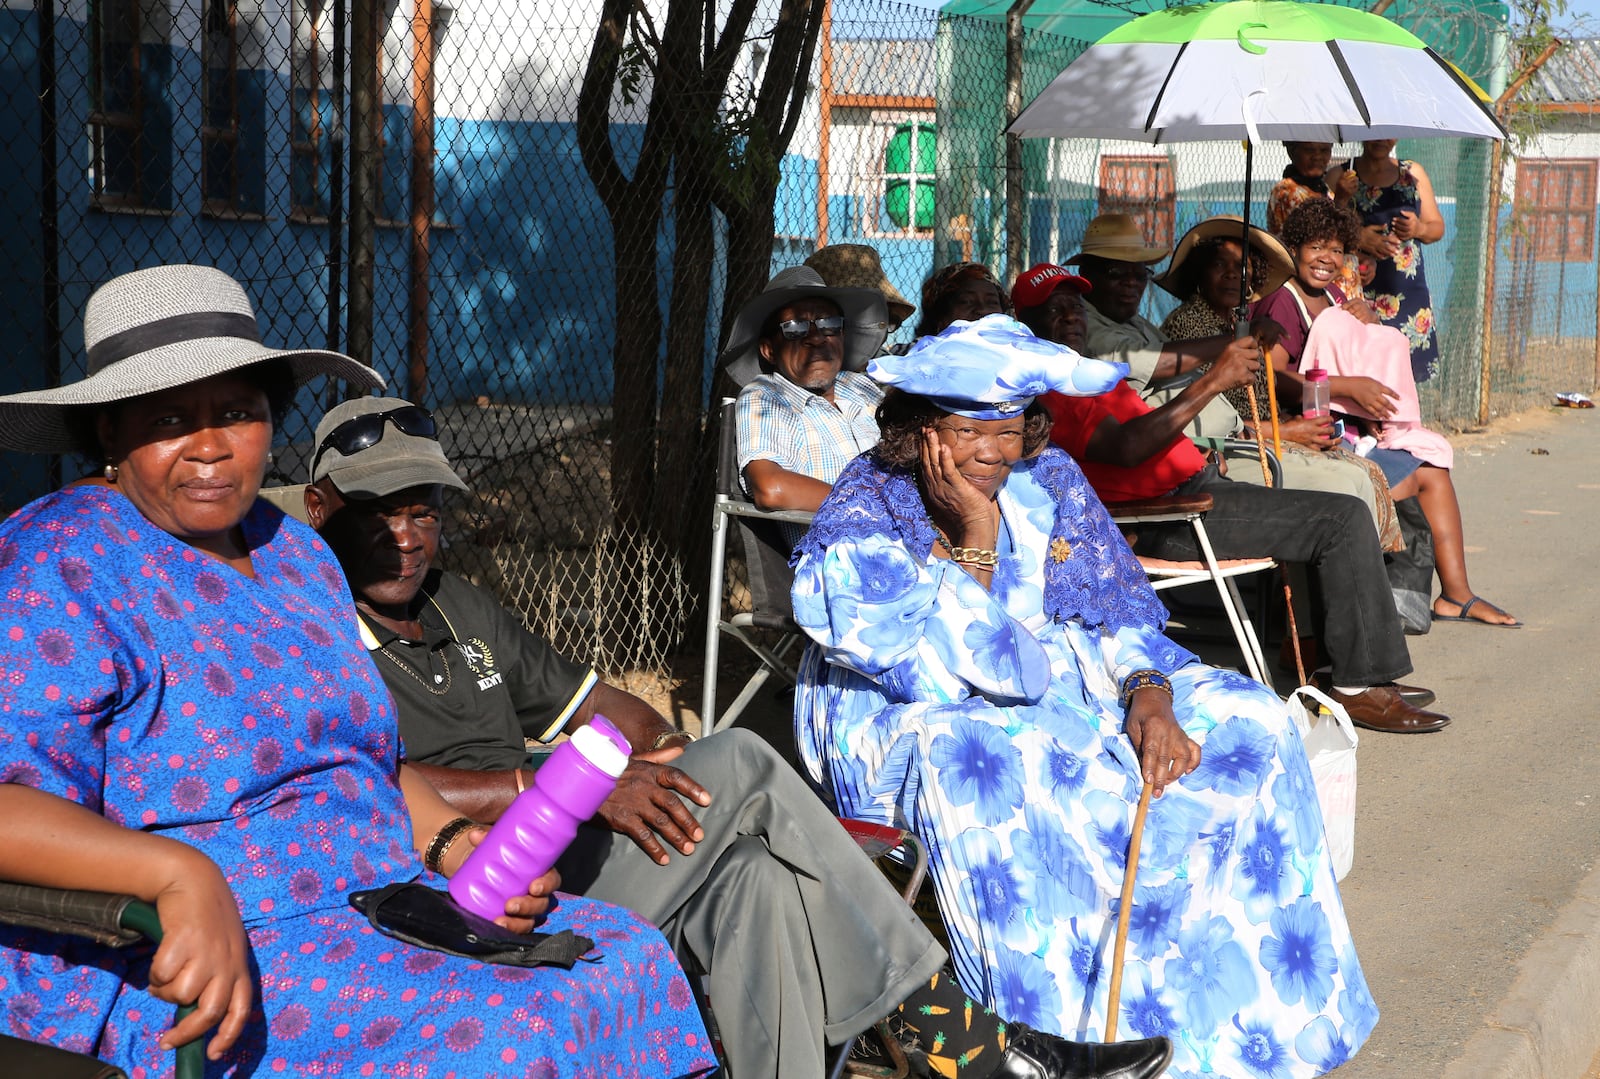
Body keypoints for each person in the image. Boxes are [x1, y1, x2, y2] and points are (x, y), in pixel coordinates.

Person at [301, 396, 1175, 1079]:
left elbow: (620, 710)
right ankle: (967, 1043)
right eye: (380, 512)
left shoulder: (461, 606)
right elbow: (364, 782)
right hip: (462, 893)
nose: (407, 536)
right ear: (318, 508)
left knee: (758, 881)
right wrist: (563, 780)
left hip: (569, 849)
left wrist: (638, 762)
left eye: (423, 510)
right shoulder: (308, 633)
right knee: (748, 760)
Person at [0, 265, 714, 1075]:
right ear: (108, 432)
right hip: (195, 948)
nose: (209, 445)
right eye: (169, 419)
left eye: (238, 411)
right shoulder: (57, 563)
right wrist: (175, 872)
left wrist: (453, 845)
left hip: (375, 898)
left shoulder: (294, 551)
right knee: (513, 1032)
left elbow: (362, 754)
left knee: (627, 960)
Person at [790, 314, 1380, 1078]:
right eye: (970, 432)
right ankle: (1046, 1042)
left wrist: (1147, 695)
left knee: (1254, 719)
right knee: (1003, 756)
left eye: (1008, 429)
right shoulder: (869, 506)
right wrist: (977, 531)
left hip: (1066, 680)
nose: (994, 453)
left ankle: (1231, 1025)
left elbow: (1115, 612)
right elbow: (943, 673)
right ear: (920, 431)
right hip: (911, 708)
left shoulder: (1052, 480)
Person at [1042, 292, 1449, 730]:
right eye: (1055, 311)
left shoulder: (1090, 376)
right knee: (1339, 520)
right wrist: (1213, 381)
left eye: (1076, 308)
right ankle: (1358, 690)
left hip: (1199, 484)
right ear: (1026, 320)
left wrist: (1194, 447)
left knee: (1342, 505)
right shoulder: (1056, 391)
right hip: (1173, 514)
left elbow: (1144, 432)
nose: (1071, 319)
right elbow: (1126, 448)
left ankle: (1351, 670)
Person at [1257, 200, 1518, 629]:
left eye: (1337, 250)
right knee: (1419, 476)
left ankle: (1457, 595)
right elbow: (1273, 375)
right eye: (1316, 247)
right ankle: (1386, 603)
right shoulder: (1283, 302)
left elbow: (1364, 355)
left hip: (1352, 427)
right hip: (1307, 433)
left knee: (1433, 465)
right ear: (1294, 248)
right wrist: (1343, 388)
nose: (1327, 259)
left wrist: (1367, 320)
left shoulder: (1337, 296)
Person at [1149, 217, 1403, 553]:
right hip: (1228, 454)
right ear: (1199, 272)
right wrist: (1287, 433)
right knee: (1348, 486)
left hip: (1267, 438)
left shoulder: (1239, 323)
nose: (1232, 275)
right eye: (1219, 265)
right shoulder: (1189, 328)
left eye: (1242, 266)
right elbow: (1215, 426)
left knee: (1367, 473)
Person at [1072, 213, 1283, 452]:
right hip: (1200, 452)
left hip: (1236, 440)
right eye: (1116, 273)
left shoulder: (1132, 320)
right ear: (1086, 275)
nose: (1131, 283)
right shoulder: (1084, 326)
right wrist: (1238, 340)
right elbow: (1154, 362)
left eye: (1140, 274)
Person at [725, 266, 888, 529]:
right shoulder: (767, 397)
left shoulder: (859, 387)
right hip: (839, 559)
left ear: (843, 335)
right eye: (795, 329)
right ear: (769, 350)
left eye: (829, 324)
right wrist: (872, 508)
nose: (816, 338)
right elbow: (770, 487)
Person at [1326, 141, 1444, 383]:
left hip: (1409, 299)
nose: (1380, 139)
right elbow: (1323, 234)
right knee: (1363, 380)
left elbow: (1436, 228)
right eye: (1373, 132)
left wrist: (1419, 228)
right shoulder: (1341, 175)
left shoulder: (1412, 174)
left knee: (1405, 386)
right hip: (1358, 295)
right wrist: (1359, 237)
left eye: (1386, 133)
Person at [1265, 141, 1363, 298]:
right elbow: (1315, 237)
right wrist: (1341, 200)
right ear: (1292, 151)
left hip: (1343, 289)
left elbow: (1342, 240)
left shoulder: (1324, 190)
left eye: (1324, 150)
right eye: (1309, 150)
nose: (1318, 156)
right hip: (1322, 291)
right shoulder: (1287, 191)